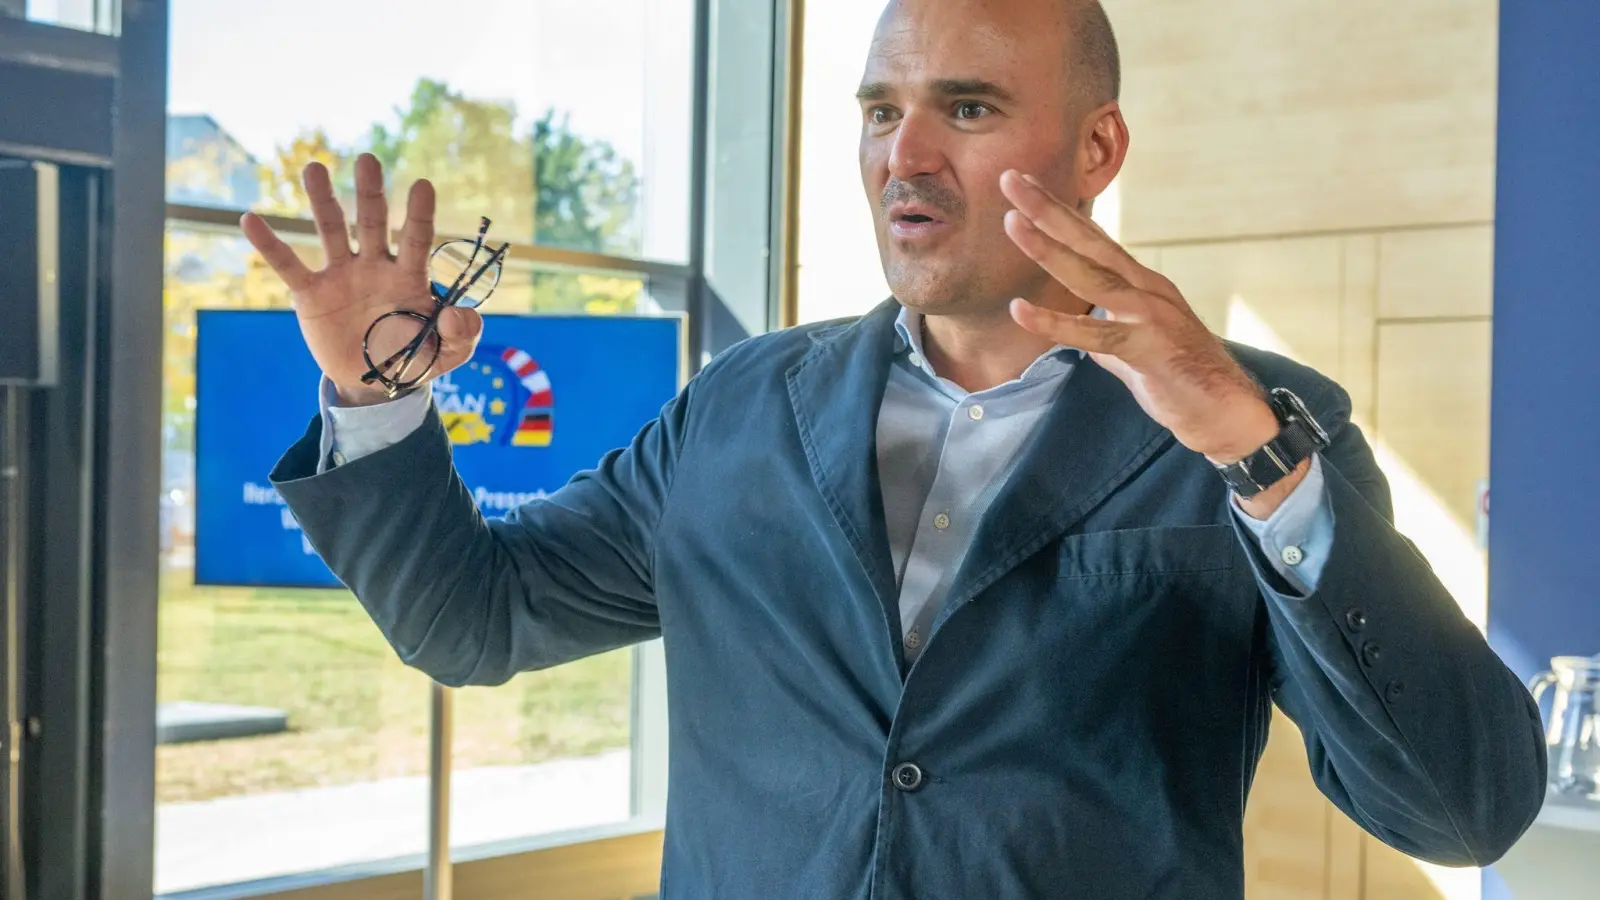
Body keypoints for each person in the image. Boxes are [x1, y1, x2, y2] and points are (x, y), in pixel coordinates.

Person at [247, 1, 1546, 896]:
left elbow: (1459, 810)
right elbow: (474, 619)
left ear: (1096, 149)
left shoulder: (1263, 426)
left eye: (966, 109)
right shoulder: (739, 407)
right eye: (880, 110)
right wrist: (377, 399)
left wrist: (1258, 463)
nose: (902, 156)